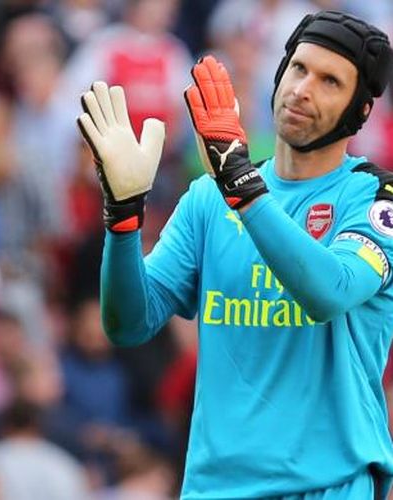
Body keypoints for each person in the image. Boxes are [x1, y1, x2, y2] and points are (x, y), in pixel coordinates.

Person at [77, 9, 393, 499]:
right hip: (214, 488)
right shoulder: (209, 198)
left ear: (361, 111)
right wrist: (122, 216)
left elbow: (329, 292)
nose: (303, 89)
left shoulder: (374, 196)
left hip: (329, 487)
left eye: (330, 81)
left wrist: (241, 188)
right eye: (298, 68)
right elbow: (128, 323)